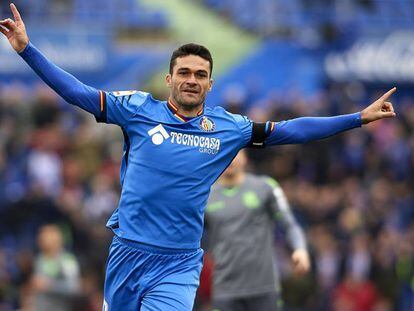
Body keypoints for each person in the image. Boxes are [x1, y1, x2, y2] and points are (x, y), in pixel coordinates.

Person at [0, 4, 396, 310]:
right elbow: (78, 93)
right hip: (127, 252)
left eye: (200, 74)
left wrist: (357, 118)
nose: (192, 79)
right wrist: (27, 51)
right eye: (184, 72)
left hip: (178, 262)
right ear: (170, 78)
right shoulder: (136, 109)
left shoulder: (230, 128)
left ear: (210, 82)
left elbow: (291, 129)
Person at [204, 150, 310, 311]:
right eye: (225, 151)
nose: (230, 158)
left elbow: (289, 224)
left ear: (245, 157)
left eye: (235, 152)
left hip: (264, 288)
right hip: (224, 289)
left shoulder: (265, 187)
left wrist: (300, 248)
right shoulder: (205, 195)